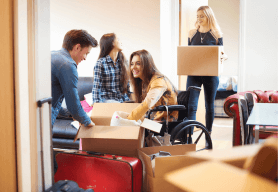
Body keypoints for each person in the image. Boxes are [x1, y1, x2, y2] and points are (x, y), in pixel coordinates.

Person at [51, 29, 97, 172]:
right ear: (77, 47)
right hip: (43, 120)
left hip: (36, 116)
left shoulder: (52, 55)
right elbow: (74, 106)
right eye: (86, 53)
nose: (85, 58)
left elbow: (55, 99)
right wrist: (88, 122)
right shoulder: (68, 65)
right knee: (52, 167)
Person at [186, 6, 228, 146]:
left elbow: (221, 54)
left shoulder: (216, 34)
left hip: (211, 75)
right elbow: (188, 55)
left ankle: (208, 137)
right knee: (191, 106)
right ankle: (189, 138)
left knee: (209, 106)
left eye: (202, 16)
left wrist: (224, 56)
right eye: (197, 16)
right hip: (194, 74)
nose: (199, 19)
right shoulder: (192, 33)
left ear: (209, 17)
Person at [127, 49, 178, 123]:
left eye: (138, 63)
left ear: (147, 65)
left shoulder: (158, 80)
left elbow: (147, 104)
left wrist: (129, 119)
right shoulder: (145, 81)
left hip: (164, 121)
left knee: (128, 125)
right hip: (152, 118)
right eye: (132, 64)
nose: (133, 67)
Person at [92, 33, 130, 104]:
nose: (121, 42)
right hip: (107, 102)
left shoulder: (125, 62)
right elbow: (96, 89)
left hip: (123, 101)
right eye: (118, 39)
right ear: (112, 43)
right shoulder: (100, 63)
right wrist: (96, 105)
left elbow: (128, 87)